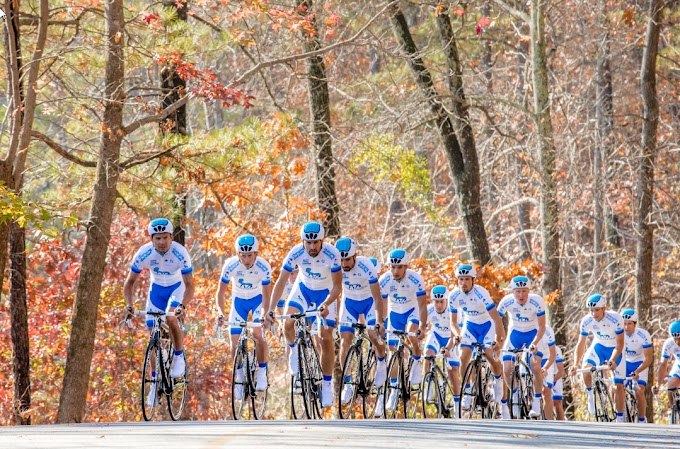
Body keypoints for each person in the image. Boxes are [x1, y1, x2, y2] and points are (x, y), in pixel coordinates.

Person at [269, 222, 342, 408]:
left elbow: (337, 287)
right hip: (303, 290)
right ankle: (294, 349)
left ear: (322, 241)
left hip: (325, 294)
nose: (311, 247)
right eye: (308, 243)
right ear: (302, 241)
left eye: (315, 243)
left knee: (325, 338)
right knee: (288, 322)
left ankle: (326, 383)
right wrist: (269, 309)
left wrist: (326, 304)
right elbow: (281, 281)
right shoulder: (295, 252)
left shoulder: (332, 254)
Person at [124, 218, 194, 408]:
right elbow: (129, 283)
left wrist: (183, 305)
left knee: (171, 318)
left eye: (165, 238)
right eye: (157, 239)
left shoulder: (180, 253)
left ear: (171, 237)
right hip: (156, 291)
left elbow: (189, 285)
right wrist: (129, 305)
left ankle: (178, 356)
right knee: (152, 336)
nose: (161, 242)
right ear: (152, 239)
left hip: (176, 288)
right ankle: (155, 383)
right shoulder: (144, 253)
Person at [215, 234, 272, 396]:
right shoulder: (230, 265)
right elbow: (220, 293)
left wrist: (263, 314)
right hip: (238, 302)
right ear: (237, 254)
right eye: (243, 256)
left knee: (258, 335)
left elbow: (267, 296)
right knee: (234, 343)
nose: (246, 260)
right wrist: (221, 312)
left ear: (256, 254)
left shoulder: (264, 266)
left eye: (250, 255)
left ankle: (262, 372)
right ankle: (239, 377)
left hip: (257, 301)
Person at [335, 237, 387, 404]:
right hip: (349, 303)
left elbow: (378, 298)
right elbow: (334, 291)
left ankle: (380, 361)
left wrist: (379, 320)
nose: (344, 264)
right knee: (345, 341)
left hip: (368, 303)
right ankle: (348, 384)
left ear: (355, 255)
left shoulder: (366, 265)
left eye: (347, 259)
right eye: (341, 259)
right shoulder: (335, 266)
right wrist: (334, 314)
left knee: (373, 334)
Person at [378, 248, 428, 414]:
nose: (395, 271)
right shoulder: (385, 280)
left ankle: (416, 361)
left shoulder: (416, 279)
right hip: (394, 314)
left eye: (399, 267)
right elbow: (382, 305)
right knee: (392, 352)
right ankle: (393, 388)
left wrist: (422, 326)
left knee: (411, 333)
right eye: (392, 267)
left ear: (406, 267)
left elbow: (422, 306)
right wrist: (383, 323)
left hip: (412, 312)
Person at [450, 264, 506, 411]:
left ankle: (498, 380)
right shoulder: (454, 295)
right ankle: (468, 390)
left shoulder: (481, 293)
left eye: (467, 279)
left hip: (487, 326)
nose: (463, 283)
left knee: (489, 356)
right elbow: (453, 322)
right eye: (460, 279)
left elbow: (497, 319)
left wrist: (498, 339)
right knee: (463, 356)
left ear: (473, 280)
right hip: (470, 326)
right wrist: (457, 335)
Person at [497, 275, 547, 419]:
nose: (521, 295)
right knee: (506, 368)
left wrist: (534, 344)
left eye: (524, 291)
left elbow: (542, 327)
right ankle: (515, 394)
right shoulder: (506, 301)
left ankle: (537, 400)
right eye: (517, 291)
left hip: (533, 334)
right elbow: (496, 320)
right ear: (512, 292)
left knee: (535, 366)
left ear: (529, 291)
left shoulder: (537, 301)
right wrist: (497, 339)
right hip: (514, 335)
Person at [571, 294, 626, 422]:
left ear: (604, 308)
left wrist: (612, 360)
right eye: (591, 310)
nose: (593, 313)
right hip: (599, 346)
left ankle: (620, 416)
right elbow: (581, 343)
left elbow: (620, 344)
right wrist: (575, 364)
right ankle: (590, 394)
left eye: (596, 310)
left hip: (615, 349)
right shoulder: (586, 320)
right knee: (585, 370)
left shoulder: (616, 319)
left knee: (618, 385)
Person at [424, 285, 461, 417]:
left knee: (452, 372)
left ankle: (457, 405)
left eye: (441, 302)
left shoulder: (453, 311)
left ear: (446, 301)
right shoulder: (429, 310)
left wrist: (448, 348)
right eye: (436, 302)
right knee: (427, 355)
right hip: (437, 336)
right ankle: (429, 386)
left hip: (451, 338)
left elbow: (456, 333)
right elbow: (423, 328)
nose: (439, 305)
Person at [621, 308, 653, 423]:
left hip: (640, 364)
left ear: (635, 323)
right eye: (624, 324)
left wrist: (638, 371)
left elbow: (649, 358)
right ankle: (620, 415)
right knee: (616, 387)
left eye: (629, 324)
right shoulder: (619, 334)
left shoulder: (643, 335)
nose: (626, 327)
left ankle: (641, 419)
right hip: (625, 363)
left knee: (639, 390)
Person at [654, 320, 680, 417]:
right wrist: (658, 385)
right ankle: (674, 410)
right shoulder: (669, 344)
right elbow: (663, 365)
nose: (678, 342)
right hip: (679, 365)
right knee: (671, 385)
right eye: (675, 339)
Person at [551, 345, 566, 420]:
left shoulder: (556, 349)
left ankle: (562, 425)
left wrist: (553, 380)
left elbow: (561, 371)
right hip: (543, 376)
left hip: (555, 376)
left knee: (557, 403)